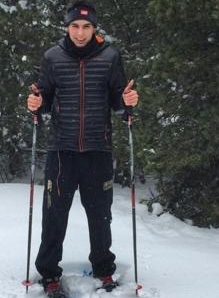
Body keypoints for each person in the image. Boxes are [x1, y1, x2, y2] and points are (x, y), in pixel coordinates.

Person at [26, 1, 139, 297]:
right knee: (54, 216)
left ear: (94, 28)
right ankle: (49, 275)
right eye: (75, 26)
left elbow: (118, 99)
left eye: (86, 27)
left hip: (97, 150)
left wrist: (128, 101)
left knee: (100, 215)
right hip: (61, 151)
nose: (80, 32)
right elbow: (44, 97)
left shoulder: (110, 57)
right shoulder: (53, 57)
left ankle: (104, 270)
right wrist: (35, 104)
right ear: (67, 27)